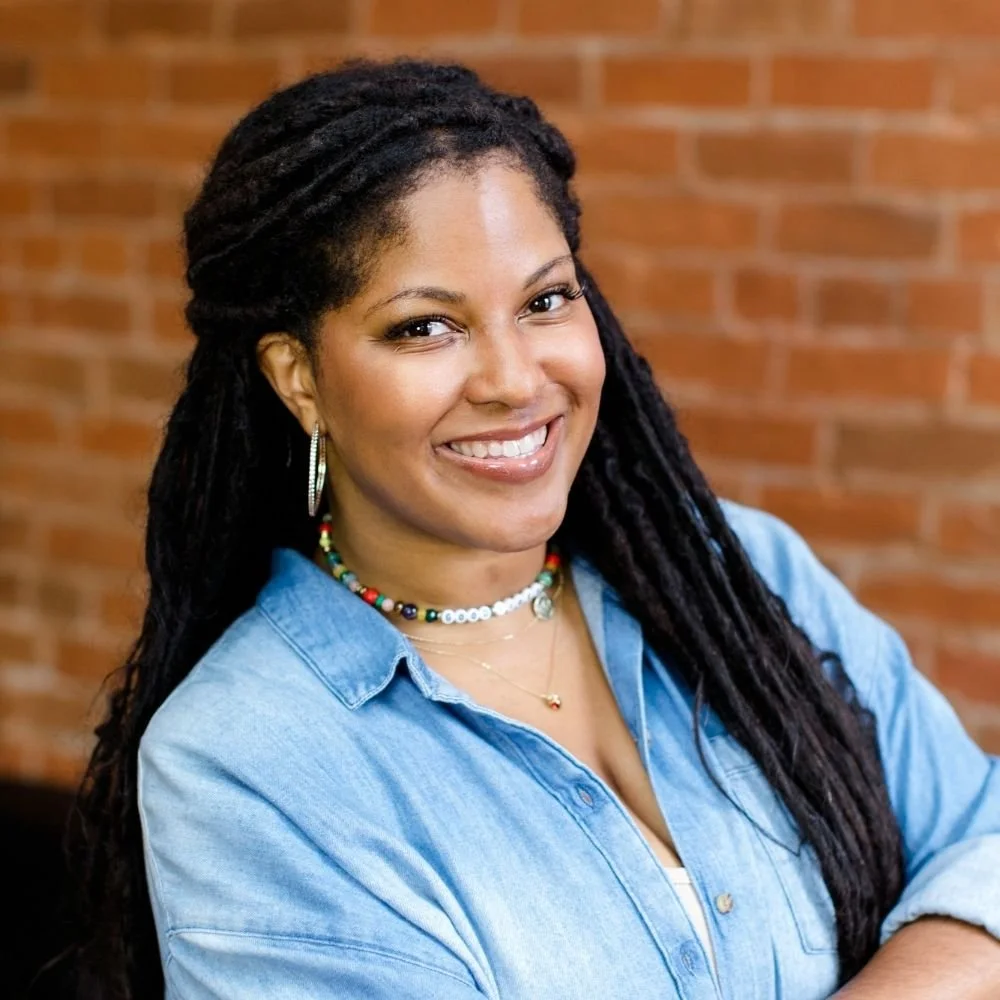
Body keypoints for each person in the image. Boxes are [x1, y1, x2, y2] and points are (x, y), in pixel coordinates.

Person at [70, 58, 1000, 1000]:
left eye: (545, 300)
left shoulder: (738, 575)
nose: (515, 380)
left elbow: (988, 835)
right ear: (298, 377)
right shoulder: (248, 763)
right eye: (425, 327)